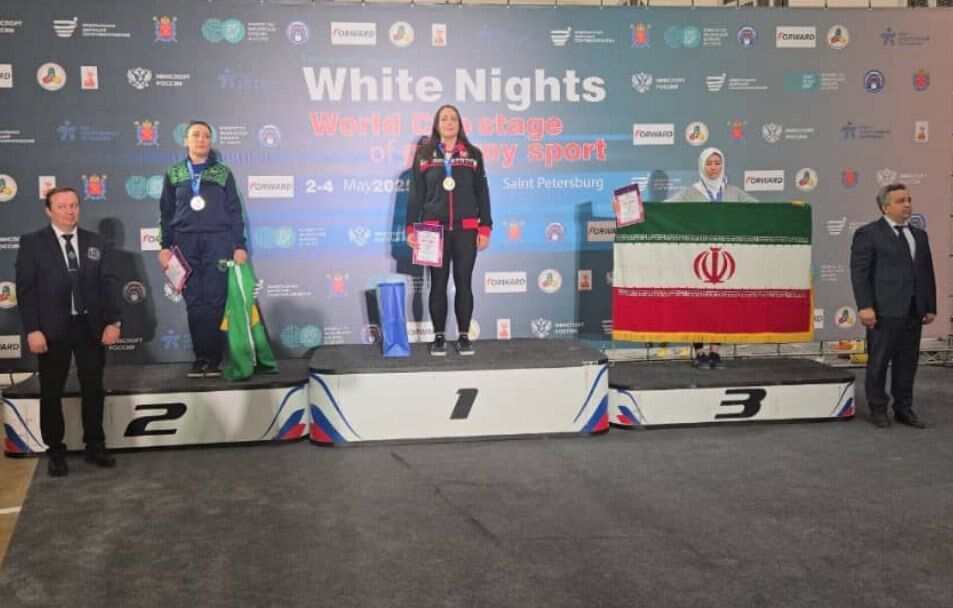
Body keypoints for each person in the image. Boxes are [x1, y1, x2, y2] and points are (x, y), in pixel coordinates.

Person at [15, 187, 122, 476]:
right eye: (62, 206)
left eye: (73, 205)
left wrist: (113, 322)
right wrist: (33, 329)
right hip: (51, 330)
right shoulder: (32, 243)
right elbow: (26, 290)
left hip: (90, 327)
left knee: (93, 388)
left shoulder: (95, 241)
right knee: (51, 391)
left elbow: (109, 283)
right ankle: (55, 451)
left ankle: (95, 445)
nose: (69, 211)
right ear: (49, 210)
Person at [158, 120, 247, 378]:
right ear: (186, 140)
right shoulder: (174, 173)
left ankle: (215, 359)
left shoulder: (222, 173)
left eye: (206, 136)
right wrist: (164, 246)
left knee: (216, 301)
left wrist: (239, 245)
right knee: (195, 302)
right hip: (184, 243)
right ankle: (201, 359)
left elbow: (234, 211)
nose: (201, 140)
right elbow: (165, 212)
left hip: (218, 241)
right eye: (196, 135)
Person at [407, 105, 492, 356]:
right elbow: (416, 195)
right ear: (437, 124)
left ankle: (464, 336)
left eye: (453, 118)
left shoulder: (473, 154)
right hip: (433, 230)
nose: (449, 122)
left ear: (459, 123)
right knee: (438, 283)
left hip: (466, 229)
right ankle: (439, 337)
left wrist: (485, 227)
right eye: (444, 119)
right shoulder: (424, 155)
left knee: (464, 282)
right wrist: (411, 227)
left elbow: (482, 193)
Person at [850, 183, 936, 429]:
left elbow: (926, 272)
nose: (907, 204)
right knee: (878, 362)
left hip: (913, 311)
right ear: (885, 207)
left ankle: (904, 408)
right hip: (883, 311)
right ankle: (878, 407)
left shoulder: (919, 235)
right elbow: (860, 273)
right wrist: (865, 306)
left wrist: (929, 305)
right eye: (900, 201)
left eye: (909, 200)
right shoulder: (868, 234)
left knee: (907, 363)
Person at [666, 147, 758, 369]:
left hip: (724, 258)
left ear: (722, 165)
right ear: (701, 166)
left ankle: (715, 352)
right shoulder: (689, 193)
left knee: (721, 304)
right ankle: (699, 353)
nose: (713, 167)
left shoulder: (734, 192)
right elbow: (662, 209)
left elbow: (763, 210)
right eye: (709, 163)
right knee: (697, 304)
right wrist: (628, 207)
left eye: (717, 163)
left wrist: (792, 209)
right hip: (697, 258)